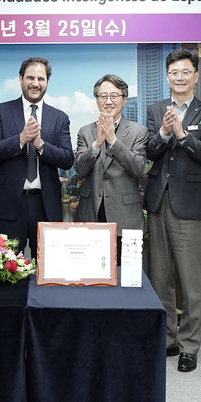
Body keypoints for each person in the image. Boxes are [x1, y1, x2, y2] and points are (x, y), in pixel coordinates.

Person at [144, 49, 201, 373]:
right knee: (160, 279)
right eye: (174, 72)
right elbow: (149, 152)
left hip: (190, 204)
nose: (179, 77)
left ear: (195, 76)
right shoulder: (155, 110)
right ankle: (168, 339)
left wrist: (182, 135)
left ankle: (190, 345)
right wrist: (163, 133)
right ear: (167, 76)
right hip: (158, 202)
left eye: (185, 72)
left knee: (190, 281)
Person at [0, 57, 74, 253]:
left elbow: (67, 159)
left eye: (41, 79)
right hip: (8, 205)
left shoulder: (59, 118)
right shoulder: (1, 111)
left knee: (46, 266)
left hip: (46, 205)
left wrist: (41, 146)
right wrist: (20, 139)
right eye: (30, 78)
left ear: (47, 81)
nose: (35, 83)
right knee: (7, 266)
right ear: (20, 79)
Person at [74, 74, 148, 262]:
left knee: (128, 275)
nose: (108, 101)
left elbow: (137, 167)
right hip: (91, 215)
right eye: (103, 96)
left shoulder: (138, 131)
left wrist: (113, 140)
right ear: (97, 100)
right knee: (91, 273)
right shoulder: (85, 131)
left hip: (126, 218)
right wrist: (97, 143)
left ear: (124, 99)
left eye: (114, 96)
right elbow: (80, 169)